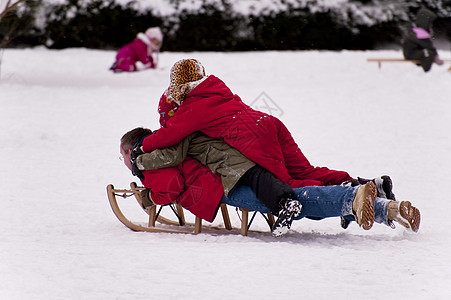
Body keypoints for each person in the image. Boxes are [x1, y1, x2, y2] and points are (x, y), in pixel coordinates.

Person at [144, 58, 397, 228]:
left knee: (286, 183)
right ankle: (367, 184)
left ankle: (348, 194)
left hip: (253, 138)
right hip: (268, 123)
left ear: (182, 86)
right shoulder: (217, 89)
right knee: (305, 170)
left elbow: (169, 137)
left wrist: (142, 147)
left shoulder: (193, 105)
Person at [120, 128, 421, 235]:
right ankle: (387, 209)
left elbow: (171, 185)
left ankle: (352, 198)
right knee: (296, 187)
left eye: (121, 155)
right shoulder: (164, 149)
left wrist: (152, 196)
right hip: (229, 175)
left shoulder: (152, 159)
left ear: (129, 151)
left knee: (295, 200)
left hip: (224, 188)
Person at [402, 7, 444, 72]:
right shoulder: (417, 33)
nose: (431, 25)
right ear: (425, 22)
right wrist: (435, 56)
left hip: (418, 53)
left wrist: (435, 56)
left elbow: (429, 46)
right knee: (427, 53)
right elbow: (427, 46)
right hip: (411, 54)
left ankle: (426, 69)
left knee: (429, 53)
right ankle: (426, 72)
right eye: (430, 23)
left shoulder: (421, 32)